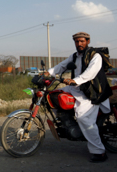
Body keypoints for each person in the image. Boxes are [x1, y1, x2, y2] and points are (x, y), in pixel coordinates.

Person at [43, 32, 112, 163]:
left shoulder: (95, 56)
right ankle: (67, 122)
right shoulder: (75, 56)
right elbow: (62, 65)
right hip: (77, 87)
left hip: (92, 90)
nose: (79, 44)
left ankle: (99, 152)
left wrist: (75, 80)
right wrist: (48, 73)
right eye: (77, 41)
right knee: (53, 96)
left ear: (88, 41)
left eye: (82, 41)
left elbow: (90, 73)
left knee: (84, 118)